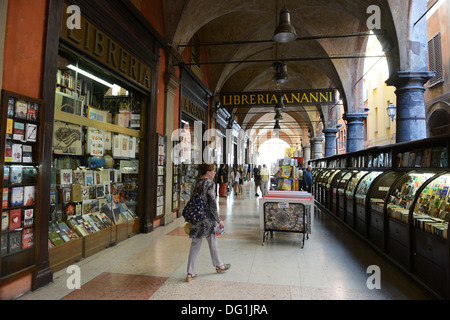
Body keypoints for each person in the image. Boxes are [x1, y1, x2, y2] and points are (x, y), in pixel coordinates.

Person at [186, 163, 230, 282]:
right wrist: (218, 219)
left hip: (196, 217)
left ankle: (190, 272)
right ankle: (219, 265)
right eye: (213, 171)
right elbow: (211, 203)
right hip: (207, 218)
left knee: (195, 243)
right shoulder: (209, 183)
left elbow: (192, 199)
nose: (215, 173)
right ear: (208, 172)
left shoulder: (196, 182)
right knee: (212, 240)